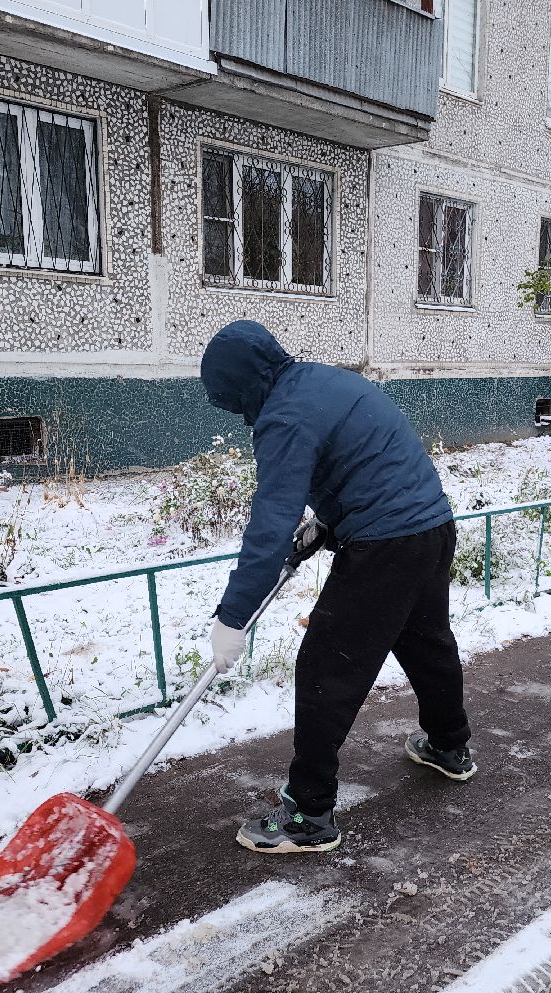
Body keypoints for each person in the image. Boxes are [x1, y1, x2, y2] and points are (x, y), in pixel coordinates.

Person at [200, 320, 475, 854]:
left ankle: (309, 814)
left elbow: (270, 520)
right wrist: (327, 524)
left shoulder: (283, 417)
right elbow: (364, 461)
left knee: (327, 667)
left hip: (387, 545)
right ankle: (449, 747)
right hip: (432, 528)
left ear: (244, 388)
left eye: (233, 403)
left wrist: (233, 615)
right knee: (427, 644)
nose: (239, 415)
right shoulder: (322, 381)